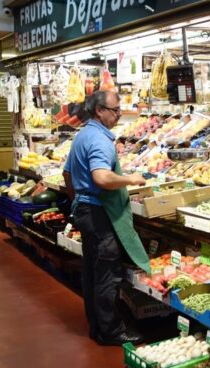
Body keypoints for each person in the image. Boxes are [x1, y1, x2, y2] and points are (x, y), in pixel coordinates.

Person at [63, 90, 149, 345]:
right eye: (115, 110)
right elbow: (101, 177)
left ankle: (97, 326)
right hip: (99, 212)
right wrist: (131, 179)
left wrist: (77, 201)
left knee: (92, 271)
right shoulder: (100, 140)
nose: (119, 114)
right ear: (99, 110)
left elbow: (67, 173)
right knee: (106, 274)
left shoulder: (83, 135)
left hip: (86, 210)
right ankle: (111, 331)